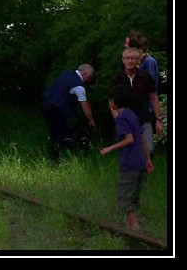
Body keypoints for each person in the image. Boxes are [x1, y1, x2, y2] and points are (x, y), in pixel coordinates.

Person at [100, 84, 153, 230]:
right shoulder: (132, 114)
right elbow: (142, 138)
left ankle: (134, 229)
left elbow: (130, 139)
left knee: (125, 197)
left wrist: (109, 148)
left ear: (113, 102)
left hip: (129, 163)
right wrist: (147, 159)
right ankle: (131, 226)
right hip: (140, 161)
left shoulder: (121, 118)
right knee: (133, 196)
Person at [112, 46, 162, 153]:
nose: (130, 61)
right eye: (127, 58)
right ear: (123, 60)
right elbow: (111, 101)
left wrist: (158, 120)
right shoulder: (117, 79)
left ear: (138, 60)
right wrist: (117, 118)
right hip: (126, 121)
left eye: (133, 58)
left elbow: (153, 97)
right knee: (130, 153)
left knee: (148, 151)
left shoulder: (146, 77)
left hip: (144, 119)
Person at [41, 64, 96, 159]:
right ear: (84, 73)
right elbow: (85, 106)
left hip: (45, 104)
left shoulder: (65, 73)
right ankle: (56, 157)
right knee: (60, 131)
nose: (88, 80)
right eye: (89, 77)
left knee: (55, 131)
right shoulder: (79, 86)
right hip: (58, 109)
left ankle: (56, 152)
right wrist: (91, 120)